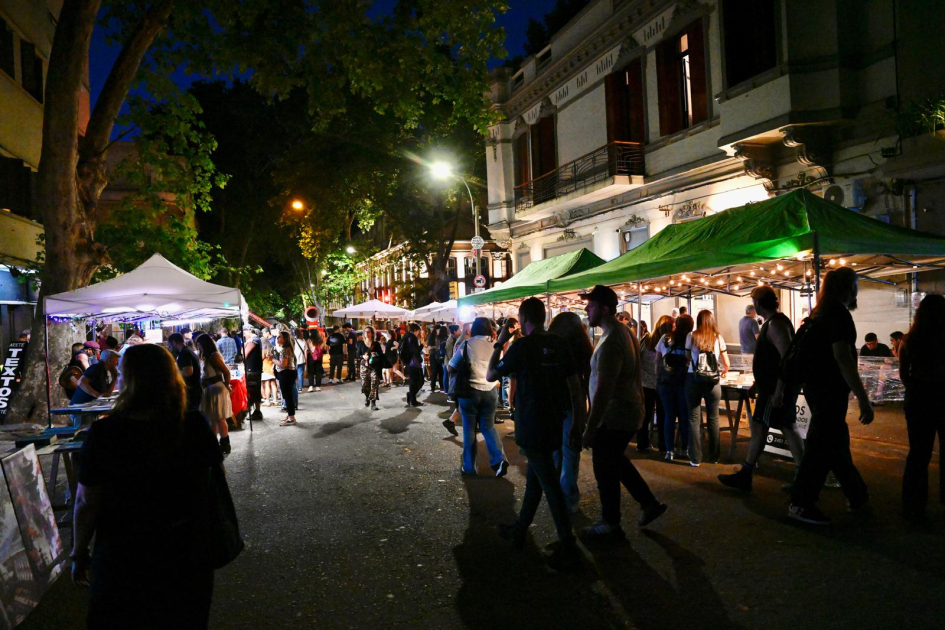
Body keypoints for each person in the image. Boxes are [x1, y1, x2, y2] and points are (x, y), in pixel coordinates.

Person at [70, 343, 223, 628]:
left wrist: (79, 552)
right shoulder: (193, 426)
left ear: (126, 380)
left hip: (123, 553)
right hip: (186, 549)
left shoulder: (105, 434)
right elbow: (212, 480)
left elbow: (85, 501)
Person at [487, 297, 587, 572]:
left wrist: (500, 342)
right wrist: (577, 423)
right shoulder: (560, 343)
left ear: (524, 317)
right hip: (555, 422)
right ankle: (519, 531)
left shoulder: (522, 346)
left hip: (531, 423)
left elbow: (491, 374)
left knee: (551, 486)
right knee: (536, 480)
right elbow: (574, 387)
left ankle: (569, 547)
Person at [578, 286, 668, 540]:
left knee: (605, 467)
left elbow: (605, 388)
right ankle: (648, 503)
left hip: (615, 414)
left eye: (591, 305)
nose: (587, 309)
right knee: (615, 461)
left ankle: (610, 523)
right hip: (624, 412)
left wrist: (590, 427)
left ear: (604, 308)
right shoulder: (621, 333)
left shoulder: (613, 340)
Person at [789, 267, 873, 525]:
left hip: (816, 387)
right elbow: (842, 357)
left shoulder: (821, 311)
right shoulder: (839, 314)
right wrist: (862, 396)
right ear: (849, 288)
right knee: (820, 446)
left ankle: (857, 495)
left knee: (834, 442)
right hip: (830, 390)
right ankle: (801, 503)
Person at [719, 287, 804, 491]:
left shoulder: (775, 324)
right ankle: (802, 476)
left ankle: (748, 474)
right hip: (771, 387)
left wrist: (779, 391)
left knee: (764, 426)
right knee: (783, 427)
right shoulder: (773, 323)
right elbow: (773, 360)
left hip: (775, 389)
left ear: (758, 304)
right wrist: (758, 383)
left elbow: (786, 358)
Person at [898, 294, 945, 522]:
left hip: (918, 399)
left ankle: (913, 505)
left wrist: (916, 386)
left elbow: (903, 374)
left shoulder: (910, 339)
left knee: (918, 454)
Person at [449, 318, 509, 476]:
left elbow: (451, 367)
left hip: (470, 391)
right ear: (490, 328)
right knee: (488, 427)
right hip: (490, 390)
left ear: (473, 328)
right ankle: (499, 459)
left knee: (469, 430)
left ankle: (469, 467)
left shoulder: (467, 344)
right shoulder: (495, 345)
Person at [547, 311, 592, 512]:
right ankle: (569, 497)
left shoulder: (553, 346)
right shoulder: (583, 347)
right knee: (570, 451)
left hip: (555, 402)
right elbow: (588, 380)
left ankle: (560, 495)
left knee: (557, 450)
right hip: (575, 403)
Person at [685, 310, 729, 466]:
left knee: (693, 418)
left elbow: (687, 357)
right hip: (713, 381)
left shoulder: (691, 336)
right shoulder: (718, 337)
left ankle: (695, 458)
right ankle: (714, 456)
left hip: (694, 378)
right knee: (713, 418)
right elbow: (726, 363)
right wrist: (723, 370)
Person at [656, 314, 694, 460]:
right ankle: (684, 449)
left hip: (666, 382)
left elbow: (658, 360)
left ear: (676, 324)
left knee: (669, 416)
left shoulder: (666, 337)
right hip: (684, 382)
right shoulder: (690, 338)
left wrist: (658, 378)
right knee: (684, 416)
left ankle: (669, 451)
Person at [639, 316, 673, 454]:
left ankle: (642, 443)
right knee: (662, 415)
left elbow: (639, 358)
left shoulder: (646, 340)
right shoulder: (669, 342)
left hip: (645, 382)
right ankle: (663, 445)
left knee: (645, 415)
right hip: (662, 382)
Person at [195, 334, 234, 453]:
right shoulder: (207, 357)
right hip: (211, 389)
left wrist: (227, 385)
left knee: (219, 417)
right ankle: (214, 442)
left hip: (216, 389)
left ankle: (224, 443)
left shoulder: (213, 356)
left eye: (200, 345)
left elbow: (226, 372)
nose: (199, 347)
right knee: (214, 418)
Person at [168, 333, 202, 411]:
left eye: (170, 344)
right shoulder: (188, 350)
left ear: (174, 342)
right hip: (195, 389)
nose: (170, 347)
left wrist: (174, 372)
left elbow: (188, 372)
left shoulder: (184, 353)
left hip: (192, 390)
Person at [272, 331, 298, 426]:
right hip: (288, 373)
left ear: (285, 339)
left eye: (280, 337)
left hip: (286, 374)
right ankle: (290, 415)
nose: (277, 338)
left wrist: (273, 360)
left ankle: (291, 417)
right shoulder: (286, 348)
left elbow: (283, 364)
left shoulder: (285, 349)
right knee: (287, 395)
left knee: (287, 395)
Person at [358, 326, 386, 411]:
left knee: (374, 383)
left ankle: (373, 403)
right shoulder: (361, 344)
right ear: (364, 333)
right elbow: (357, 354)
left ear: (372, 333)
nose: (367, 333)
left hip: (374, 366)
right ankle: (367, 397)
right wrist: (362, 356)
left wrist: (375, 355)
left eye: (369, 331)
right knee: (365, 385)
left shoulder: (376, 344)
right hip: (364, 366)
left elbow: (381, 354)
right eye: (366, 331)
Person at [400, 323, 425, 407]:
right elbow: (415, 351)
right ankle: (412, 398)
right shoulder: (412, 337)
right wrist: (422, 345)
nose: (419, 333)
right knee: (419, 381)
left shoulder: (406, 336)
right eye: (418, 331)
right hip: (414, 363)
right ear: (415, 330)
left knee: (414, 382)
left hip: (409, 362)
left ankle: (412, 399)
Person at [243, 327, 263, 420]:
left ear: (248, 331)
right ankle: (257, 411)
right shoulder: (255, 339)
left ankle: (255, 411)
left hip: (252, 370)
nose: (243, 335)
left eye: (244, 333)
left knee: (252, 391)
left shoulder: (253, 340)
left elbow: (244, 354)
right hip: (255, 369)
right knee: (255, 391)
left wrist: (246, 344)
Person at [427, 325, 444, 393]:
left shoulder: (441, 337)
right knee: (434, 371)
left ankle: (441, 386)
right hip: (433, 355)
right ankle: (433, 386)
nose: (439, 331)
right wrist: (436, 347)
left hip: (439, 356)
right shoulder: (431, 336)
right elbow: (429, 347)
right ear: (436, 330)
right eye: (439, 330)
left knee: (441, 371)